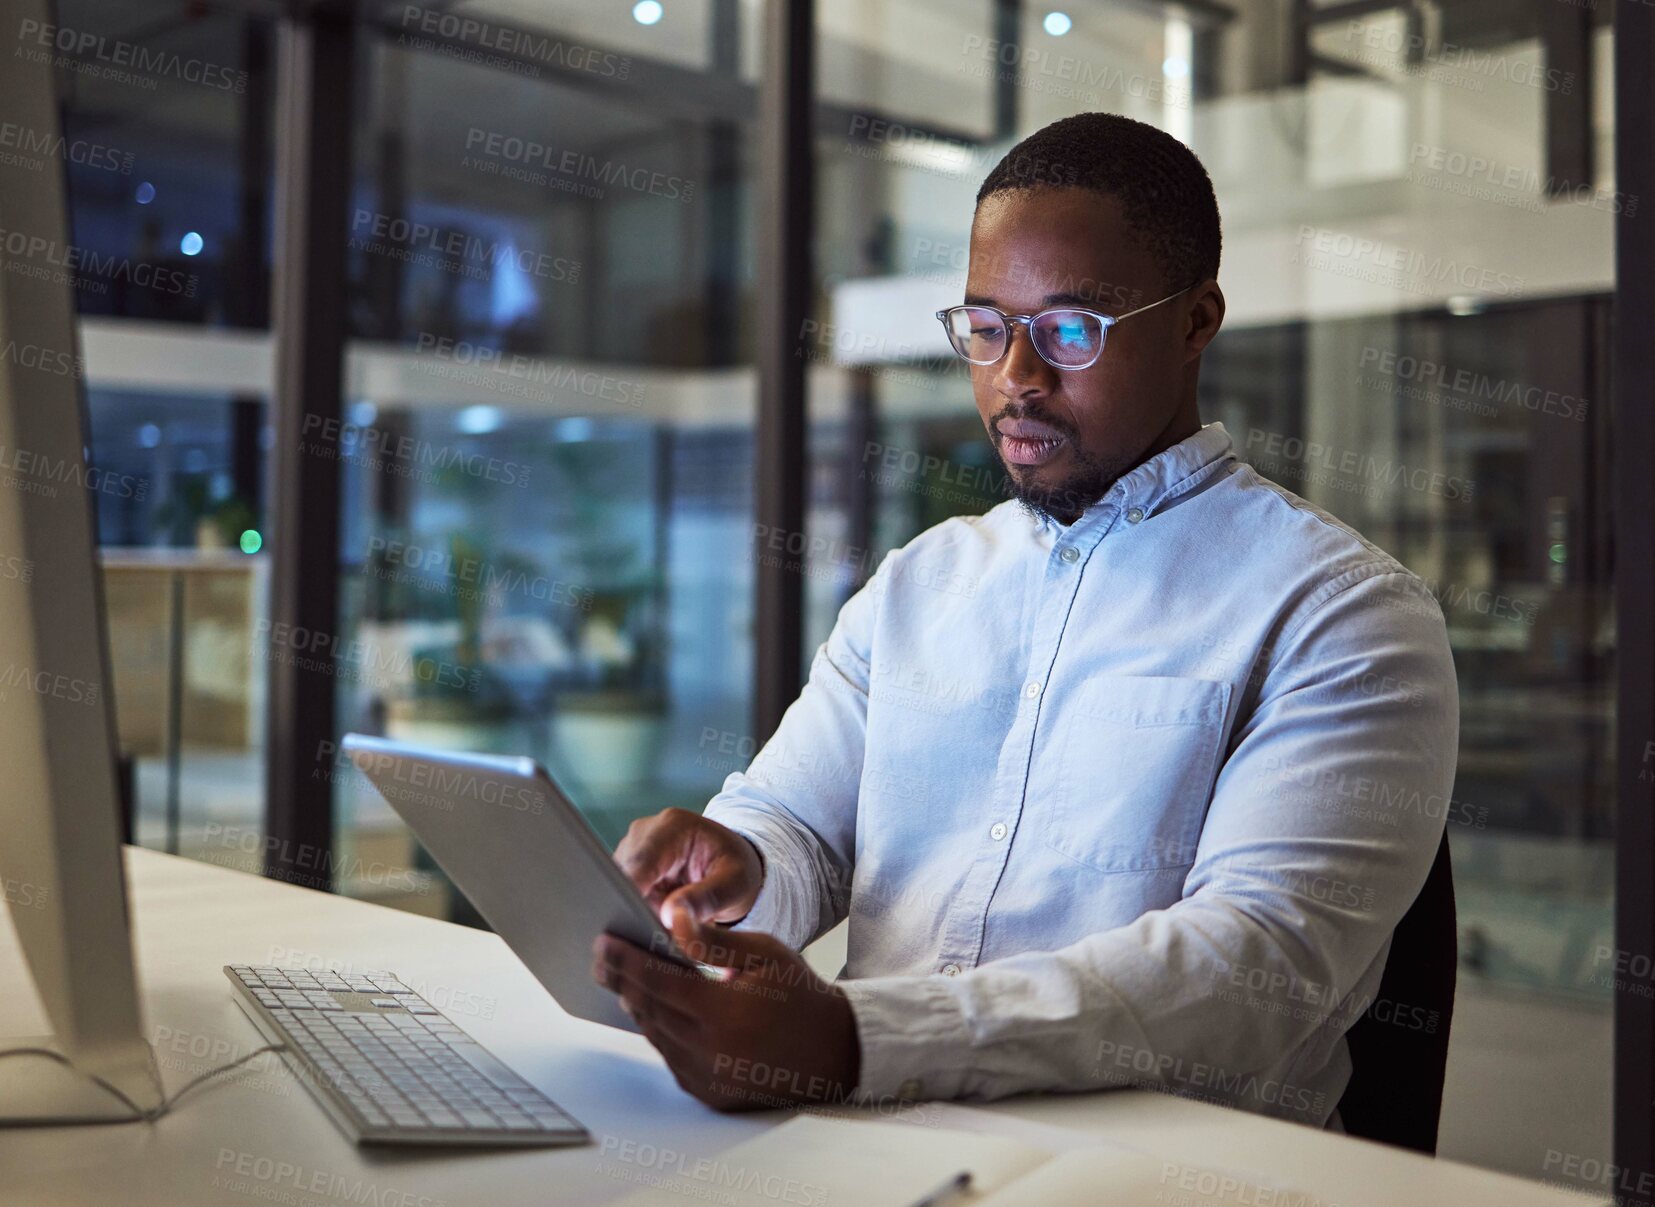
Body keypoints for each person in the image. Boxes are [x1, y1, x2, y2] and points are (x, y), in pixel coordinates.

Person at [589, 111, 1458, 1128]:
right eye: (987, 327)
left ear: (1195, 321)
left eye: (1069, 329)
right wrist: (738, 870)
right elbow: (798, 830)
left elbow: (1252, 967)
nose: (1015, 378)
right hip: (862, 1133)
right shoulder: (921, 581)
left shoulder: (1342, 612)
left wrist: (858, 1041)